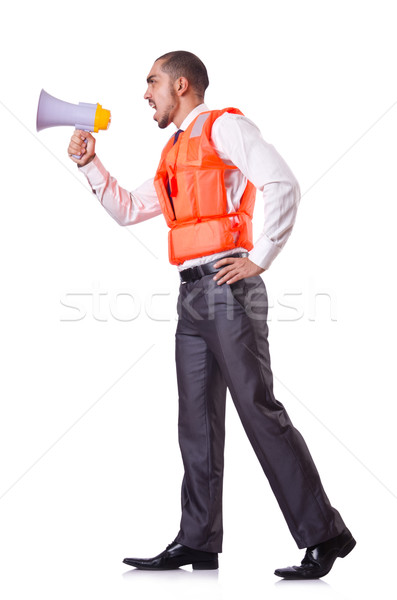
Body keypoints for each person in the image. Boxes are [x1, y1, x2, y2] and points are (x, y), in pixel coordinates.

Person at [67, 50, 355, 579]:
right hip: (192, 298)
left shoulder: (225, 128)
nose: (145, 93)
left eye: (151, 81)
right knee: (195, 424)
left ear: (181, 85)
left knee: (258, 411)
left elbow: (282, 183)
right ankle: (198, 539)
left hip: (229, 290)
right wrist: (89, 164)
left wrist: (259, 258)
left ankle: (326, 534)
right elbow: (130, 209)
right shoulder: (173, 152)